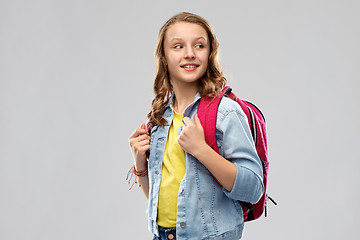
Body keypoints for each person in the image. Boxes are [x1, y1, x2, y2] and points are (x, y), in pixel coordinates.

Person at [128, 12, 264, 240]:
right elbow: (162, 200)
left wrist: (201, 150)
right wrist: (140, 164)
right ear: (164, 56)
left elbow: (253, 189)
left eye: (199, 45)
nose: (189, 54)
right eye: (178, 46)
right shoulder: (161, 116)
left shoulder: (226, 113)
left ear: (210, 54)